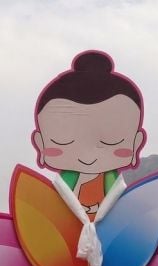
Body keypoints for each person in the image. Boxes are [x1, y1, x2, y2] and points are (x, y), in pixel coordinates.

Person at [32, 50, 146, 220]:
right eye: (63, 140)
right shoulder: (61, 187)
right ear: (40, 144)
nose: (88, 158)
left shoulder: (116, 188)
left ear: (136, 144)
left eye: (111, 141)